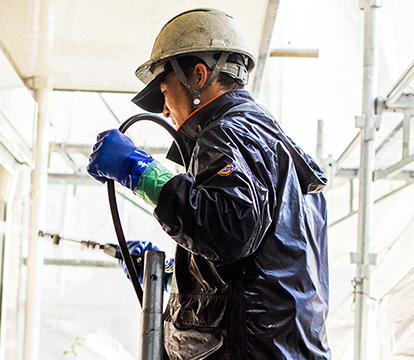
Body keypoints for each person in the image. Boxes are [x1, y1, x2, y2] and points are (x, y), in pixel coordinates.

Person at [87, 8, 331, 360]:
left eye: (163, 90)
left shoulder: (228, 133)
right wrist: (172, 278)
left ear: (198, 76)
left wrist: (139, 171)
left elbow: (229, 230)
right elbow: (259, 274)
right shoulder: (270, 143)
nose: (165, 111)